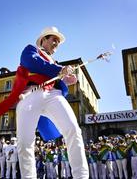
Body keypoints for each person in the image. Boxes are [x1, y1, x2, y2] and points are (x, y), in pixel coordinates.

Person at [16, 26, 89, 178]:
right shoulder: (32, 50)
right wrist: (59, 69)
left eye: (58, 41)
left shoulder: (54, 62)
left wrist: (66, 78)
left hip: (53, 95)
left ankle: (81, 176)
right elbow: (31, 62)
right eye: (53, 39)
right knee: (24, 142)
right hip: (31, 94)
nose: (57, 43)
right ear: (43, 40)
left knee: (74, 131)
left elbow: (53, 73)